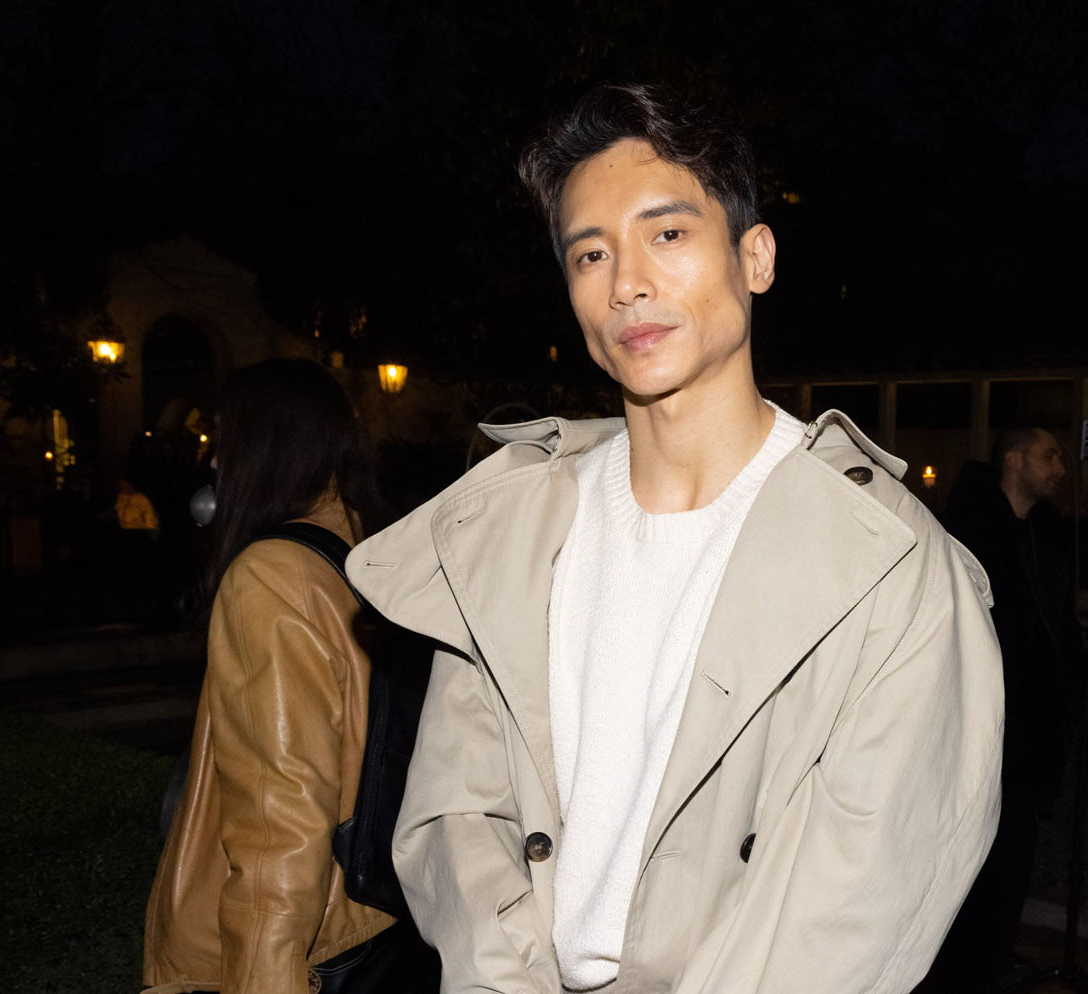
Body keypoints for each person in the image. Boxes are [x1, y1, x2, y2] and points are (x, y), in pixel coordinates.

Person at [346, 82, 1005, 994]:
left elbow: (852, 910)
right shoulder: (503, 532)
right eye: (590, 253)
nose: (627, 283)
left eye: (667, 233)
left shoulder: (890, 567)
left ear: (755, 257)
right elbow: (455, 820)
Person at [142, 358, 430, 994]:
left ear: (263, 448)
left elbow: (281, 817)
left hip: (310, 953)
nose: (214, 461)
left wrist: (263, 975)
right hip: (382, 923)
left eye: (224, 440)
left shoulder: (270, 577)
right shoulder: (373, 558)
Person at [924, 427, 1083, 992]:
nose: (1060, 468)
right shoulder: (969, 531)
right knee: (970, 852)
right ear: (1013, 460)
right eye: (1048, 455)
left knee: (1014, 850)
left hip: (1029, 729)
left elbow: (1056, 627)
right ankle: (955, 966)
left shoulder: (1044, 534)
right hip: (980, 722)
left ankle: (992, 954)